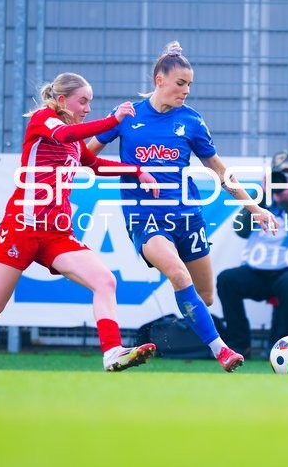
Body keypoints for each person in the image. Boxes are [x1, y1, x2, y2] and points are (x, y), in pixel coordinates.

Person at [0, 72, 160, 372]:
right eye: (83, 101)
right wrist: (113, 120)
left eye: (91, 102)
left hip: (57, 233)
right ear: (62, 100)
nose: (88, 108)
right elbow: (63, 135)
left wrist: (136, 170)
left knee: (105, 281)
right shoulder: (43, 119)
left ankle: (112, 352)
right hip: (22, 226)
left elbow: (94, 164)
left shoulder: (74, 140)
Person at [87, 41, 278, 372]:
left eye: (189, 84)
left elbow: (220, 171)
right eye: (180, 83)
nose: (186, 90)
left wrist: (255, 208)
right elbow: (87, 158)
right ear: (159, 79)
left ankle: (172, 337)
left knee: (204, 297)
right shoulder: (127, 116)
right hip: (144, 217)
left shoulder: (191, 121)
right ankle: (222, 351)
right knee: (176, 272)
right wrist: (132, 171)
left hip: (187, 217)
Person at [216, 149, 288, 358]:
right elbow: (241, 230)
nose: (286, 179)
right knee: (227, 280)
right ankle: (238, 345)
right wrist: (260, 198)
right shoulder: (262, 195)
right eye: (280, 174)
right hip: (262, 270)